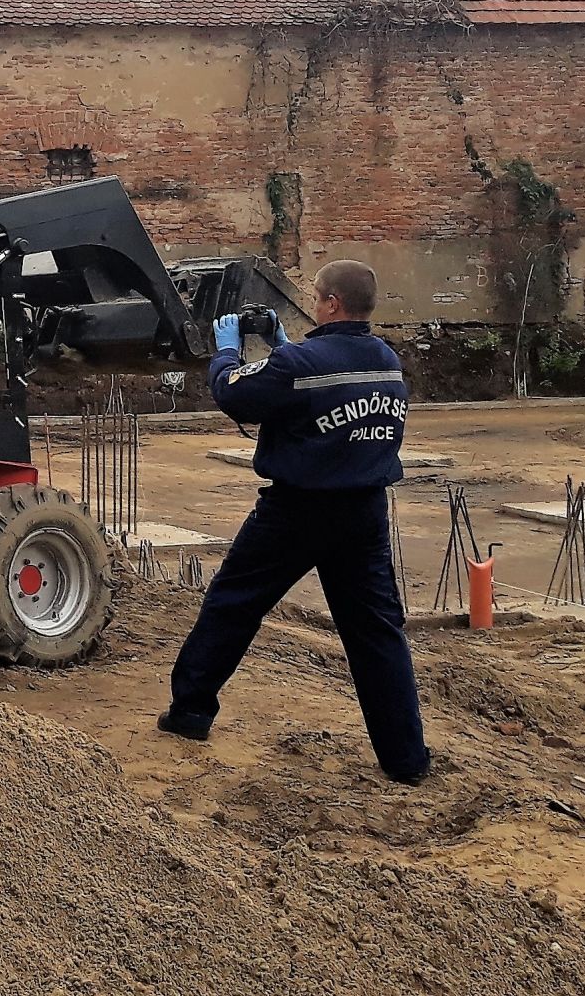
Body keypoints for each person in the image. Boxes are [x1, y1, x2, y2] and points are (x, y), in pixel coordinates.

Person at [157, 258, 431, 786]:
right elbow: (324, 391)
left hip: (296, 512)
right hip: (366, 514)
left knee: (233, 605)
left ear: (330, 303)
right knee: (377, 634)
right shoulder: (387, 362)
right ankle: (406, 759)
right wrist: (284, 347)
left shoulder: (303, 363)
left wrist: (228, 350)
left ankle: (190, 711)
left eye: (316, 295)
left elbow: (235, 393)